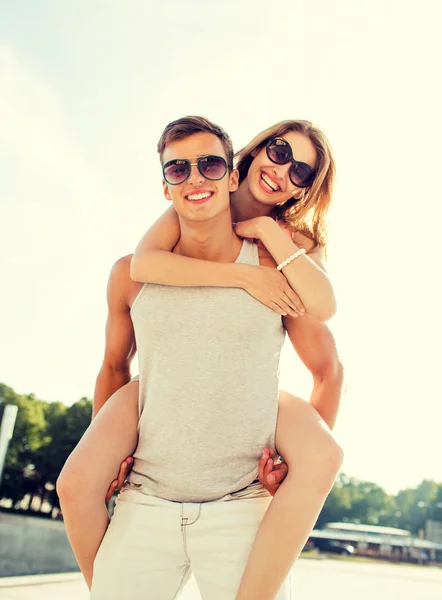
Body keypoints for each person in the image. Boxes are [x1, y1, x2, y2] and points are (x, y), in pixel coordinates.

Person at [57, 116, 343, 599]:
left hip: (243, 446)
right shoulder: (188, 203)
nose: (283, 171)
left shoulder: (286, 251)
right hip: (154, 452)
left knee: (323, 454)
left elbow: (326, 327)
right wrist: (245, 278)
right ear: (249, 158)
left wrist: (268, 238)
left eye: (301, 173)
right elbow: (141, 270)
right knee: (77, 483)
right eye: (278, 152)